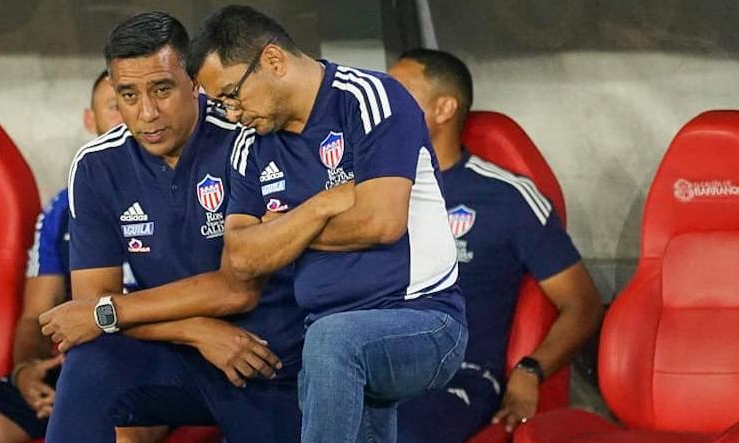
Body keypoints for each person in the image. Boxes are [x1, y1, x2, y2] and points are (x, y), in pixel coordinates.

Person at [187, 5, 468, 442]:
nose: (232, 114)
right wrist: (321, 205)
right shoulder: (251, 145)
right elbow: (240, 258)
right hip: (330, 339)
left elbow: (380, 220)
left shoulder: (371, 98)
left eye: (231, 94)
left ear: (274, 61)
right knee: (325, 344)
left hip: (422, 321)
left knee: (331, 342)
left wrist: (279, 231)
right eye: (220, 105)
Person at [38, 11, 310, 443]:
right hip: (178, 356)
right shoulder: (96, 166)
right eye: (127, 95)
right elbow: (95, 309)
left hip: (263, 358)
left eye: (162, 89)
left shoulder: (247, 137)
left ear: (195, 83)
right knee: (90, 361)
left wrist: (109, 313)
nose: (147, 113)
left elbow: (238, 286)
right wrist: (196, 331)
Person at [387, 49, 603, 441]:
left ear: (444, 108)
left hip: (453, 374)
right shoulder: (367, 189)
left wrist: (530, 369)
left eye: (396, 91)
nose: (382, 103)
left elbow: (583, 303)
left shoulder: (506, 197)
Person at [0, 70, 125, 443]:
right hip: (69, 371)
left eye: (135, 102)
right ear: (89, 120)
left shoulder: (178, 191)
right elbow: (34, 317)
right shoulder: (62, 208)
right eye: (115, 105)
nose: (127, 116)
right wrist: (27, 371)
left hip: (141, 368)